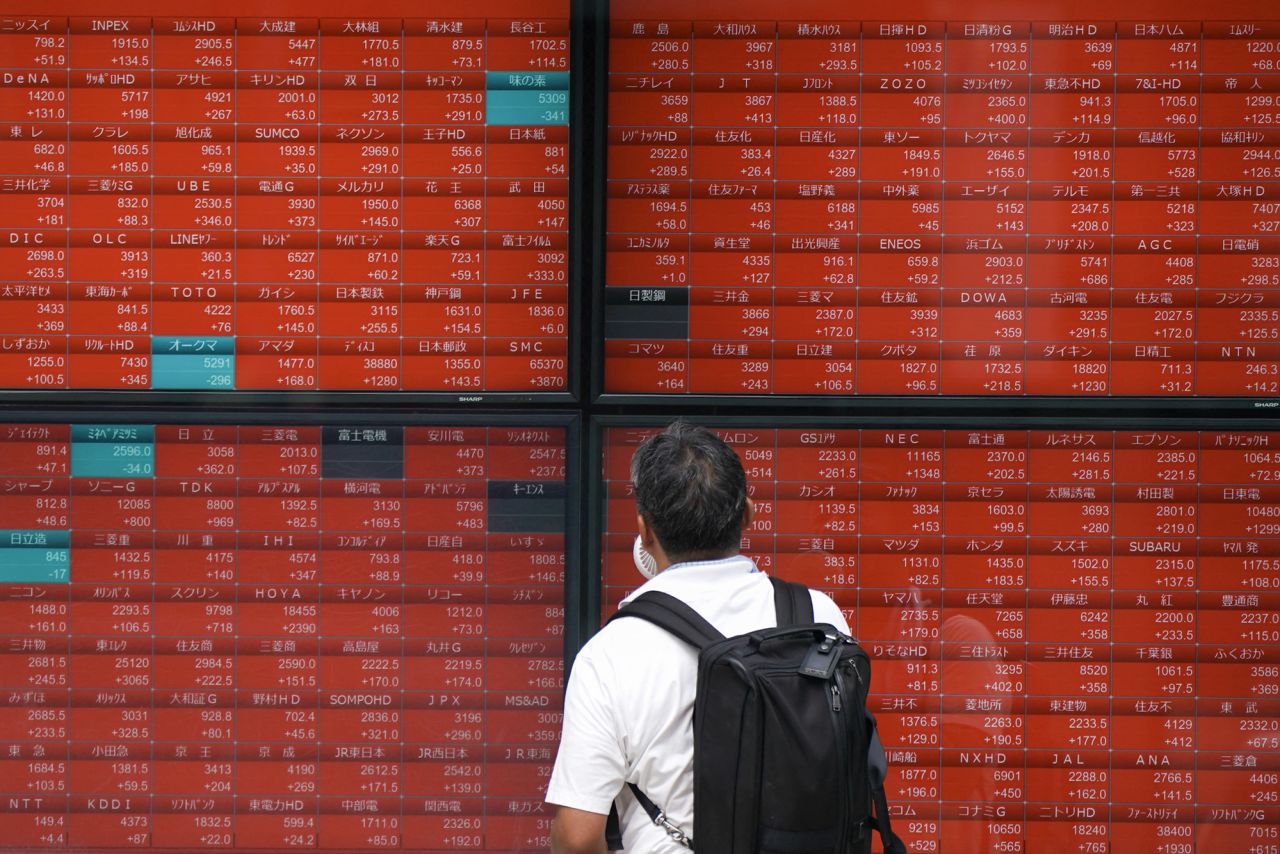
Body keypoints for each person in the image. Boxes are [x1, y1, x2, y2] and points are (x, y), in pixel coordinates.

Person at [545, 421, 851, 854]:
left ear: (645, 531)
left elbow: (576, 838)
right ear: (747, 513)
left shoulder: (613, 651)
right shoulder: (819, 617)